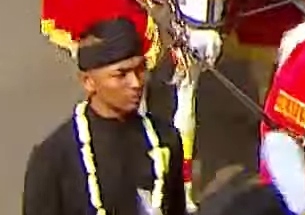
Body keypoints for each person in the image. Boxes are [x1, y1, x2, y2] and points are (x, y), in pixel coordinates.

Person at [21, 17, 187, 215]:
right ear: (88, 82)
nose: (136, 83)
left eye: (140, 69)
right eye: (121, 74)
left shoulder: (165, 140)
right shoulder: (54, 158)